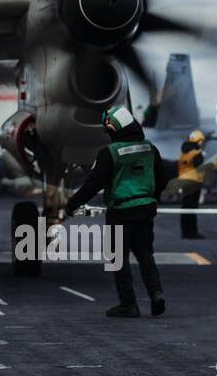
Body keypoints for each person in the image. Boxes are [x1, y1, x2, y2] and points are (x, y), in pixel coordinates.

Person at [63, 105, 175, 318]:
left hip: (121, 211)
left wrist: (72, 205)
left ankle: (128, 304)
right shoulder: (150, 148)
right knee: (144, 253)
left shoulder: (110, 153)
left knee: (118, 257)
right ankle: (156, 293)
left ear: (114, 129)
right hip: (145, 209)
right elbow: (162, 179)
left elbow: (93, 184)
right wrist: (151, 197)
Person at [167, 130, 215, 239]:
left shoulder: (184, 151)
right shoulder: (196, 153)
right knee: (192, 207)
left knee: (185, 207)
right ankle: (192, 232)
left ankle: (184, 232)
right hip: (194, 183)